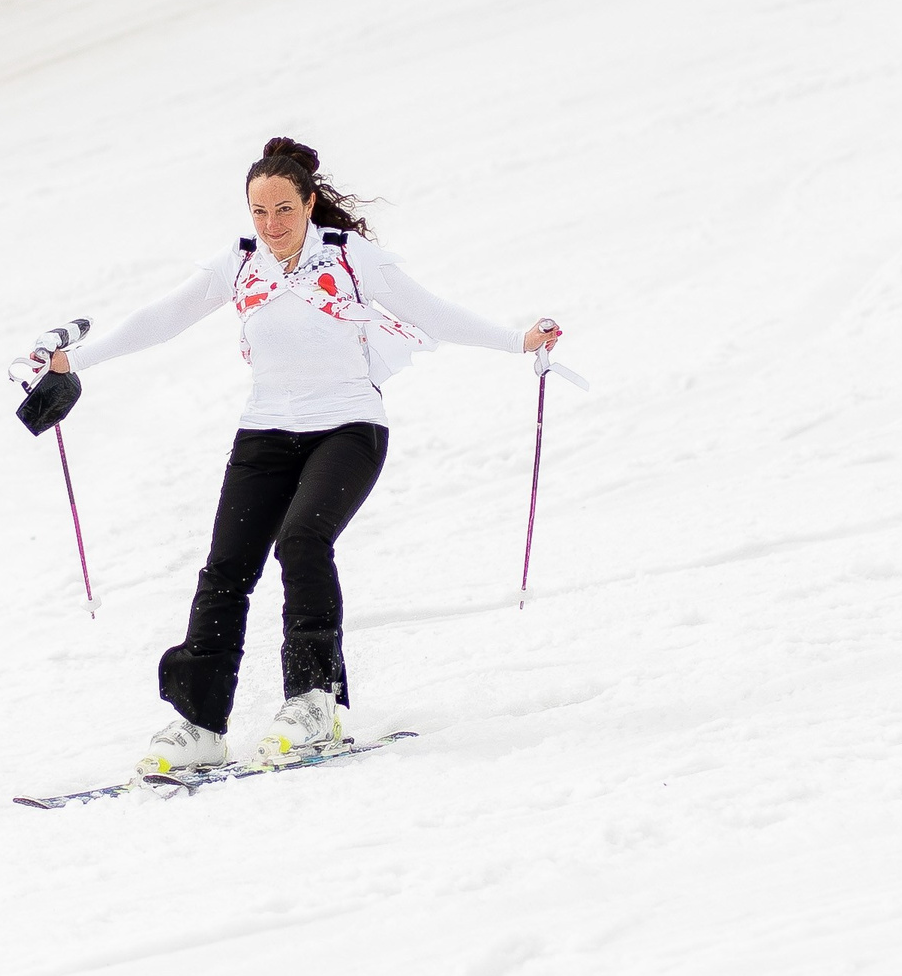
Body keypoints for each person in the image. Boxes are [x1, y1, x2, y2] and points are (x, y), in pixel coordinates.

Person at [50, 138, 562, 774]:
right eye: (258, 213)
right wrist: (76, 362)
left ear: (309, 202)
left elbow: (431, 310)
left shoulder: (350, 258)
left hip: (348, 429)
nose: (271, 226)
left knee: (302, 540)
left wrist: (518, 341)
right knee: (226, 567)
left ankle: (315, 701)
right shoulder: (239, 266)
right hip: (265, 433)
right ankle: (200, 723)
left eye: (284, 210)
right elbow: (160, 320)